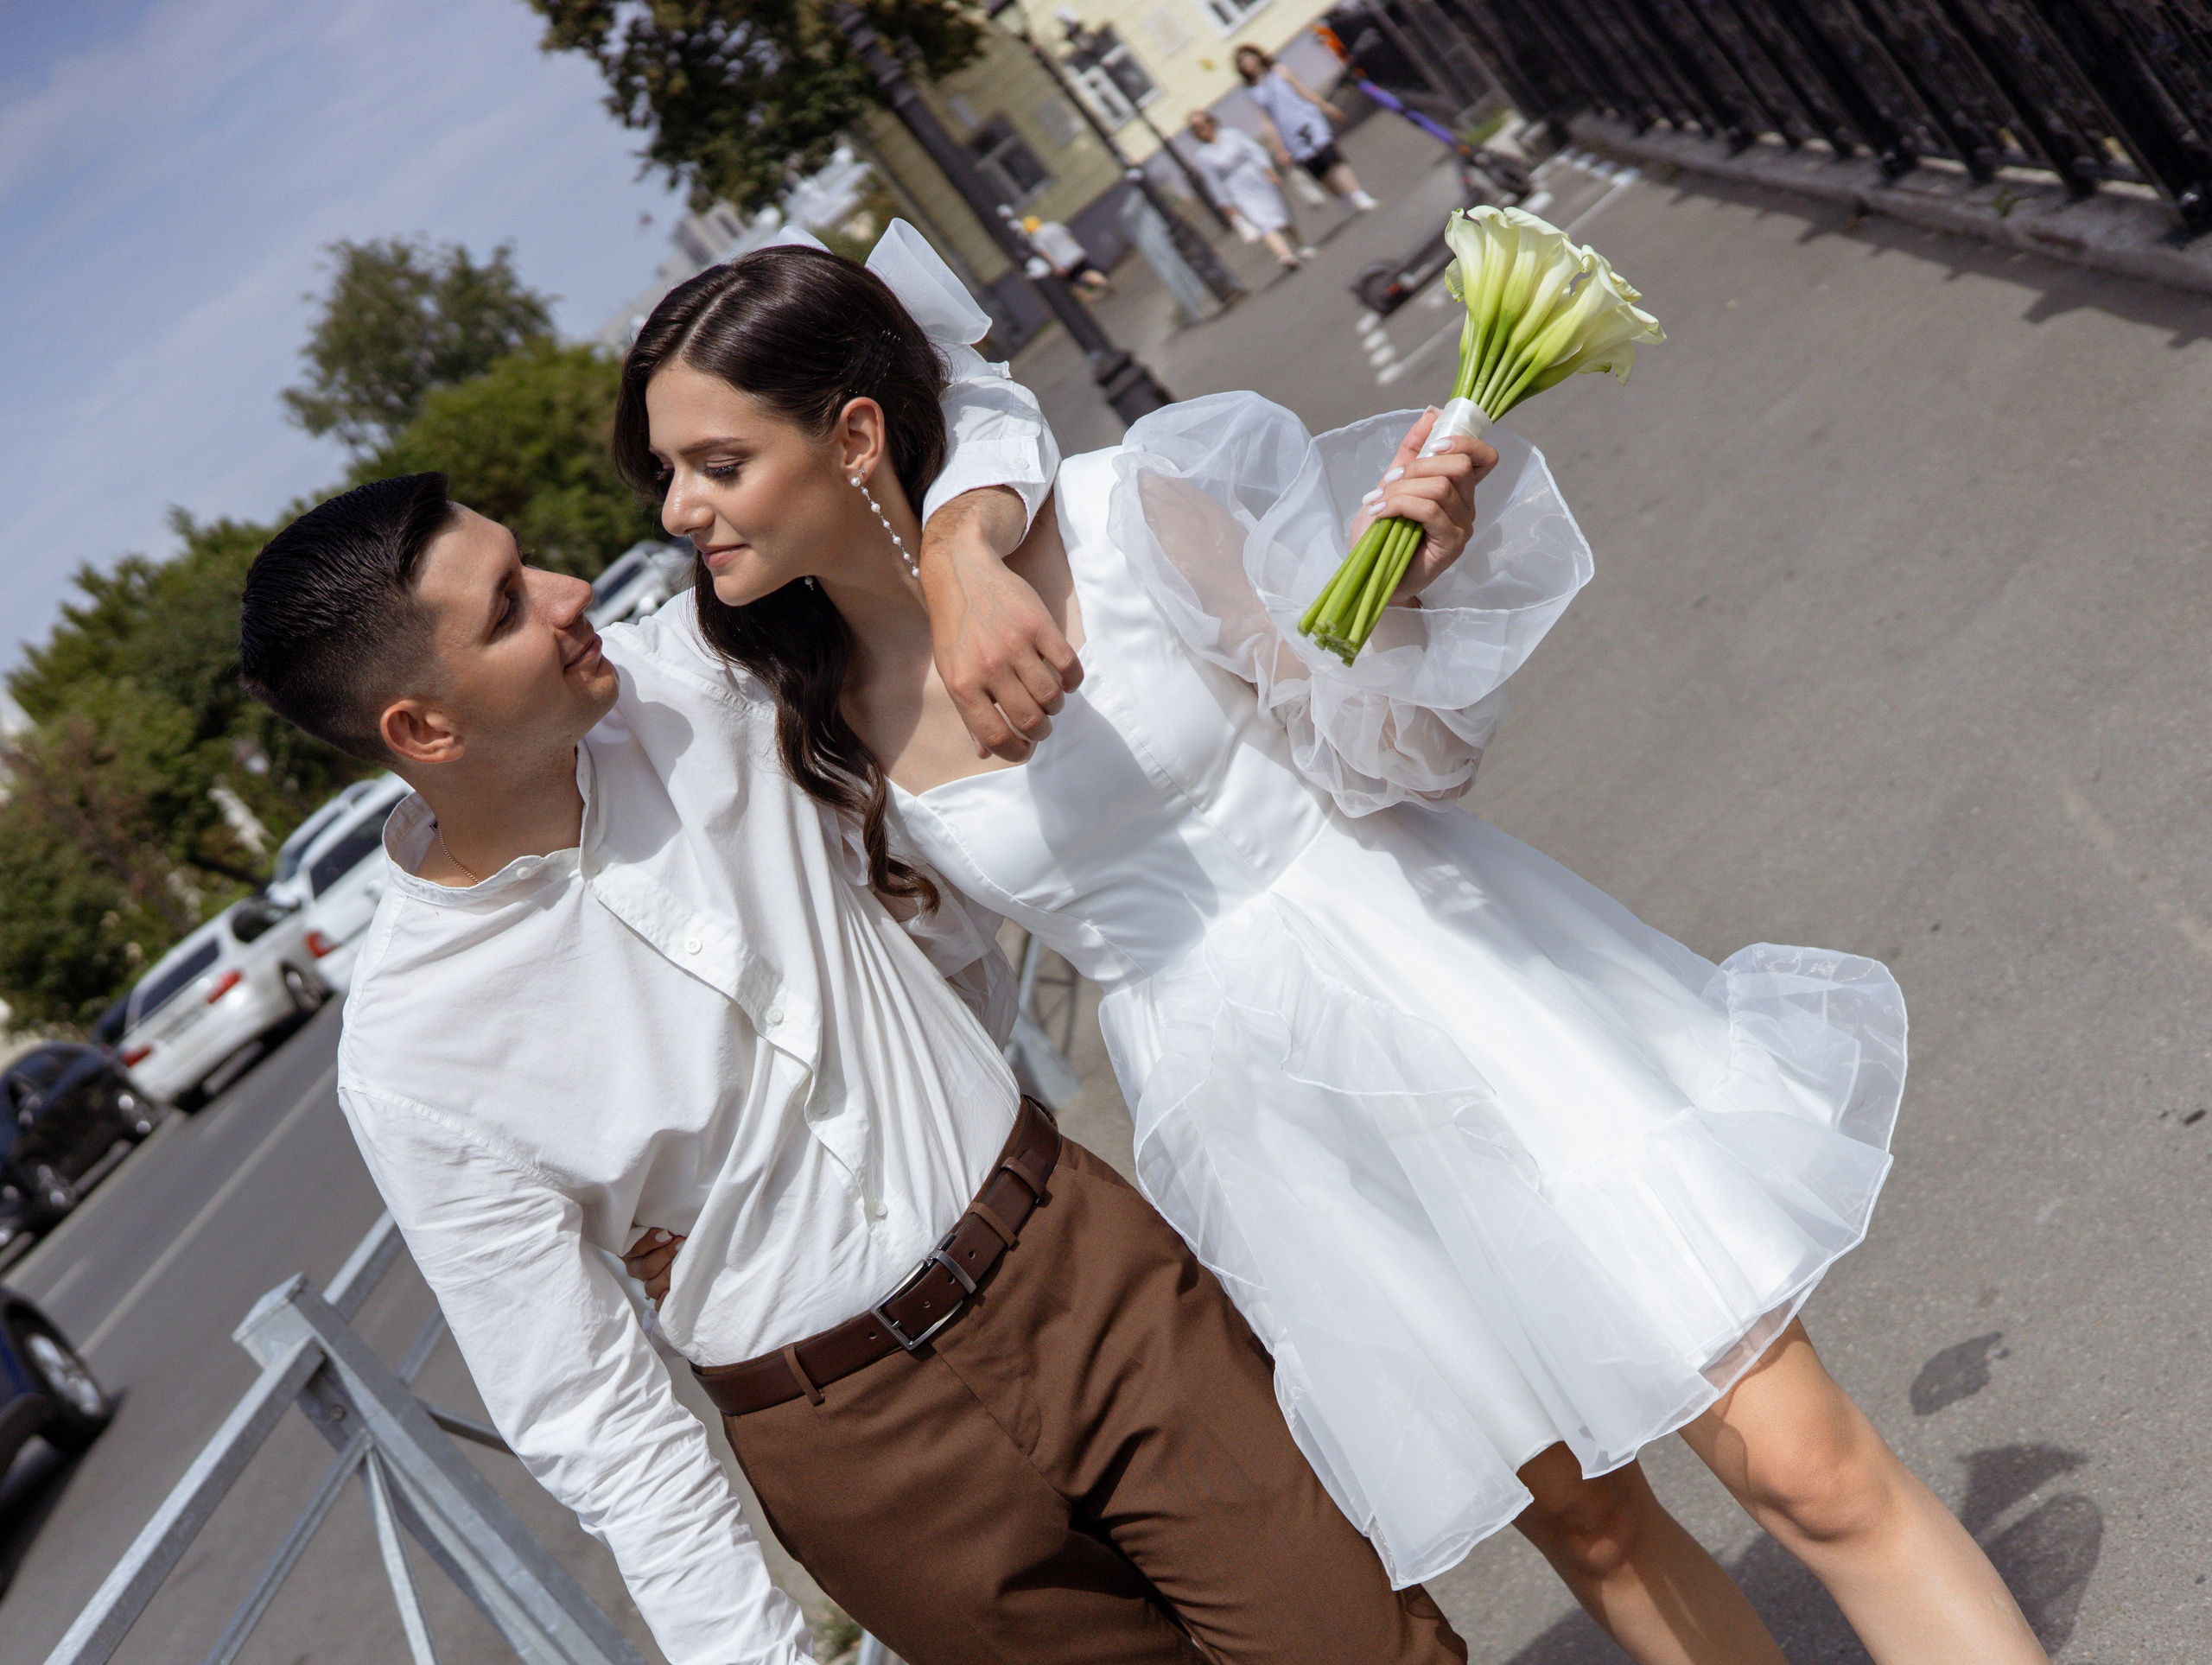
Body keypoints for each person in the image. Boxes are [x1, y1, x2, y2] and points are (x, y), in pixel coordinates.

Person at [627, 240, 2056, 1665]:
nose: (681, 509)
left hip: (1434, 974)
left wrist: (1399, 600)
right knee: (1595, 1528)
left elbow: (1404, 762)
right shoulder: (814, 726)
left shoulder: (1125, 513)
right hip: (1259, 1133)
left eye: (717, 464)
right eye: (670, 474)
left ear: (854, 437)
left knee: (1801, 1462)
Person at [238, 223, 1467, 1665]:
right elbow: (582, 1401)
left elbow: (944, 388)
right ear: (423, 728)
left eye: (530, 562)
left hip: (1077, 1271)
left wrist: (957, 551)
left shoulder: (707, 663)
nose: (572, 593)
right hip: (864, 1458)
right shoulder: (414, 1057)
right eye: (510, 608)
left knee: (1373, 1648)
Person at [1234, 43, 1379, 213]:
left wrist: (1326, 107)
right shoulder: (1253, 91)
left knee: (1331, 158)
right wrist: (1279, 149)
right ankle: (1343, 197)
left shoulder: (1279, 70)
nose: (1247, 63)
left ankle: (1359, 195)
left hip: (1308, 120)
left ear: (1257, 56)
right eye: (1242, 62)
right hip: (1290, 134)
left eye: (1248, 57)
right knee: (1319, 170)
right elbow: (1267, 121)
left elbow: (1304, 92)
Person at [1187, 110, 1314, 275]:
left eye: (1202, 125)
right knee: (1261, 221)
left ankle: (1300, 245)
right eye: (1195, 128)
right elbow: (1213, 183)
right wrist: (1225, 205)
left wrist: (1268, 170)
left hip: (1256, 177)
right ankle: (1285, 256)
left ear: (1210, 122)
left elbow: (1255, 151)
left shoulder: (1232, 135)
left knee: (1280, 213)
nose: (1200, 130)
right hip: (1237, 189)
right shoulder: (1203, 156)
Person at [1020, 213, 1112, 300]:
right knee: (1087, 271)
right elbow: (1069, 236)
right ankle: (1103, 282)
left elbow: (1045, 253)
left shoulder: (1036, 239)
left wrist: (1056, 267)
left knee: (1074, 282)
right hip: (1076, 253)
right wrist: (1077, 247)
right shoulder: (1053, 225)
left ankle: (1090, 298)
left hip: (1064, 263)